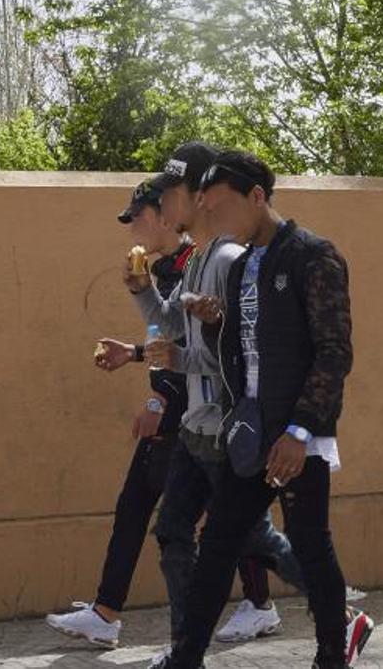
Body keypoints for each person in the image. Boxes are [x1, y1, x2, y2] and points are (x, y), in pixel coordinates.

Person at [163, 151, 373, 669]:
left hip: (296, 435)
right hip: (251, 434)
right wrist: (215, 322)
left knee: (309, 544)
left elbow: (334, 352)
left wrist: (300, 431)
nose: (215, 217)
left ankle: (332, 654)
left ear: (257, 196)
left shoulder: (313, 256)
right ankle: (186, 657)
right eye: (209, 209)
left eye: (223, 206)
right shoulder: (241, 268)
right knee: (218, 544)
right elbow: (241, 351)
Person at [122, 143, 310, 664]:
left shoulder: (228, 261)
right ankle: (186, 651)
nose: (163, 205)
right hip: (196, 429)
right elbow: (170, 324)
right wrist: (142, 292)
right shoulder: (198, 260)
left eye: (171, 193)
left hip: (226, 433)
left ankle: (334, 606)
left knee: (256, 540)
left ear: (201, 196)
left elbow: (235, 355)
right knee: (175, 532)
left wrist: (176, 358)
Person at [43, 178, 193, 648]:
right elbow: (167, 338)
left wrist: (159, 401)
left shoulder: (195, 266)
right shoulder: (166, 268)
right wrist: (133, 352)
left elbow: (194, 348)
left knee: (206, 529)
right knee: (138, 509)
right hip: (176, 409)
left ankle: (300, 601)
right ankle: (106, 613)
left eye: (138, 218)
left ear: (165, 215)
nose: (132, 230)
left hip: (191, 415)